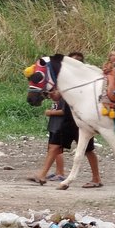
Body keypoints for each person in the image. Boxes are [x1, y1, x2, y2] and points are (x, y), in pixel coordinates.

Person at [28, 52, 102, 189]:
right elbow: (57, 96)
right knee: (55, 146)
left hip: (80, 118)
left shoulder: (85, 81)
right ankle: (42, 174)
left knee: (88, 150)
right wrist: (46, 93)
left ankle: (96, 178)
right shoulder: (66, 79)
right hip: (68, 118)